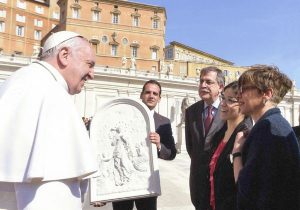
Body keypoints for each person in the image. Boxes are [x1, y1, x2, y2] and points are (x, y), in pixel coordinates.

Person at [0, 31, 98, 210]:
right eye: (89, 64)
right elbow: (54, 196)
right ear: (64, 55)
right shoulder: (52, 95)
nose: (92, 74)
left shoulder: (15, 81)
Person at [232, 65, 300, 210]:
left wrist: (237, 152)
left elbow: (245, 191)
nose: (238, 95)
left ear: (266, 94)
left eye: (243, 89)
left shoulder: (266, 128)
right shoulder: (275, 124)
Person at [112, 79, 177, 210]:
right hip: (124, 179)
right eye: (147, 92)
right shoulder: (124, 117)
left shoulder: (164, 122)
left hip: (148, 182)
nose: (151, 96)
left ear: (159, 98)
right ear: (141, 95)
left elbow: (171, 154)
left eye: (155, 93)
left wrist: (159, 145)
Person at [207, 81, 252, 210]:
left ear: (243, 103)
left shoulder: (245, 137)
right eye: (223, 98)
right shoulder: (218, 135)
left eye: (231, 100)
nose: (223, 104)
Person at [185, 66, 225, 210]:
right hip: (198, 185)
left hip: (223, 185)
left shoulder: (232, 110)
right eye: (201, 81)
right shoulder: (191, 112)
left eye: (208, 82)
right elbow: (191, 147)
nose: (203, 85)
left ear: (220, 87)